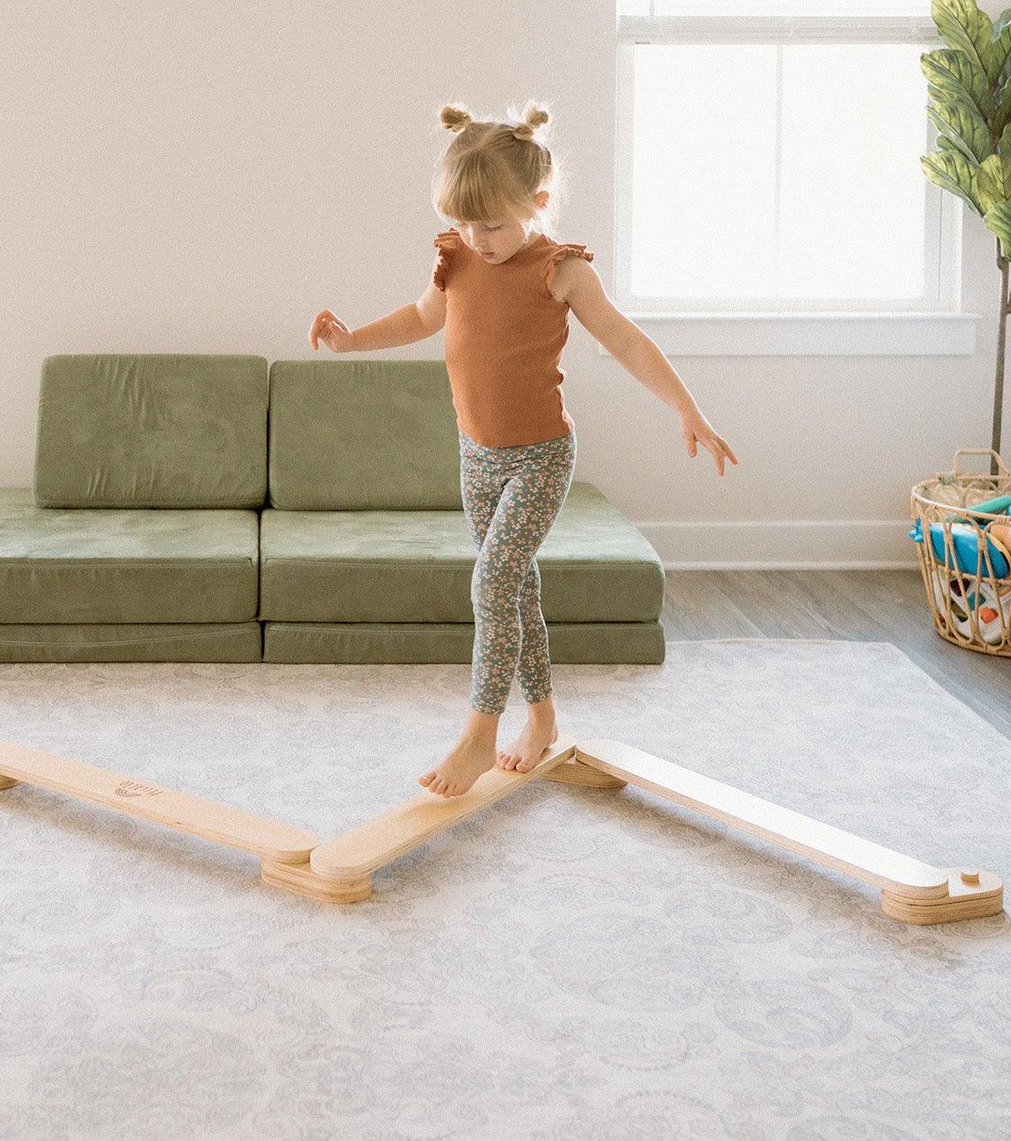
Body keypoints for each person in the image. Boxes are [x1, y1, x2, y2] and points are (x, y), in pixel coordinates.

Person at [307, 99, 737, 798]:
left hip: (539, 455)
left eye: (493, 223)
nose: (477, 238)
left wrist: (685, 407)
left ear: (536, 203)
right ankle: (540, 719)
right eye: (464, 222)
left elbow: (624, 339)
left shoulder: (559, 270)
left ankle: (479, 734)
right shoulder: (456, 258)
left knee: (490, 582)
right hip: (475, 455)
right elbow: (421, 317)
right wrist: (352, 339)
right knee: (516, 588)